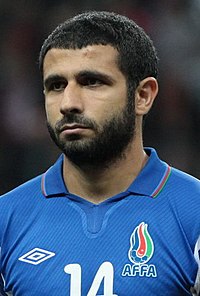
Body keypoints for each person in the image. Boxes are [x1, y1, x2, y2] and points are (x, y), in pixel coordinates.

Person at [0, 11, 199, 296]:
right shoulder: (5, 220)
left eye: (92, 82)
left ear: (143, 96)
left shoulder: (194, 215)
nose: (68, 103)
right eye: (56, 86)